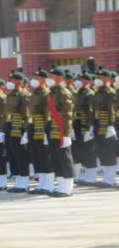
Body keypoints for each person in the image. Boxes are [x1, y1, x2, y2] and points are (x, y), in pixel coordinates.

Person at [27, 68, 55, 195]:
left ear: (44, 80)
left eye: (37, 78)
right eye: (34, 78)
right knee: (37, 156)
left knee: (46, 157)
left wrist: (45, 131)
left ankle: (48, 185)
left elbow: (48, 114)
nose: (34, 80)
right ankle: (42, 184)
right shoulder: (35, 93)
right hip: (34, 127)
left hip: (43, 127)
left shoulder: (46, 93)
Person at [48, 67, 75, 197]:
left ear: (59, 78)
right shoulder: (52, 92)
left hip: (61, 128)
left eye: (52, 76)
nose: (50, 78)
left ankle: (68, 187)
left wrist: (66, 134)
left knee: (64, 157)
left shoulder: (63, 92)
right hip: (53, 128)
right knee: (56, 157)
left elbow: (68, 114)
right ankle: (61, 185)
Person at [5, 70, 32, 193]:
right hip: (10, 126)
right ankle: (18, 181)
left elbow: (26, 115)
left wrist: (26, 132)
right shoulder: (11, 95)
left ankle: (24, 182)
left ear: (20, 82)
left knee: (21, 155)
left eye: (14, 80)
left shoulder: (24, 95)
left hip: (19, 127)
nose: (11, 82)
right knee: (13, 154)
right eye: (11, 80)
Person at [92, 68, 117, 187]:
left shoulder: (109, 92)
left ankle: (110, 179)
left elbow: (111, 110)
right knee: (102, 151)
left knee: (109, 151)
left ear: (106, 78)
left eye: (100, 77)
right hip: (99, 123)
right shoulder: (99, 92)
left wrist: (110, 126)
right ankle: (106, 178)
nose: (98, 79)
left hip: (106, 124)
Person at [73, 71, 98, 185]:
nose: (79, 81)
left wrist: (89, 128)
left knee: (90, 150)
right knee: (82, 150)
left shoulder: (90, 94)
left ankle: (92, 177)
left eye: (82, 79)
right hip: (78, 123)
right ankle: (87, 176)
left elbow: (91, 112)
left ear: (88, 81)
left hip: (85, 124)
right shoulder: (79, 93)